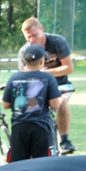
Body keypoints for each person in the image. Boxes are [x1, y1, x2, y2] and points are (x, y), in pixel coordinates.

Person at [19, 17, 75, 155]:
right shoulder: (24, 51)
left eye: (35, 35)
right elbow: (24, 75)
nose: (32, 40)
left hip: (60, 85)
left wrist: (45, 74)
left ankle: (65, 140)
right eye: (28, 37)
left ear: (42, 29)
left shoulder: (57, 41)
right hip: (37, 89)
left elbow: (68, 68)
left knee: (61, 102)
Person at [2, 44, 62, 162]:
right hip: (40, 126)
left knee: (17, 163)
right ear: (42, 62)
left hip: (19, 127)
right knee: (40, 163)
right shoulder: (48, 78)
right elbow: (55, 104)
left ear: (24, 61)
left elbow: (6, 104)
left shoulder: (14, 77)